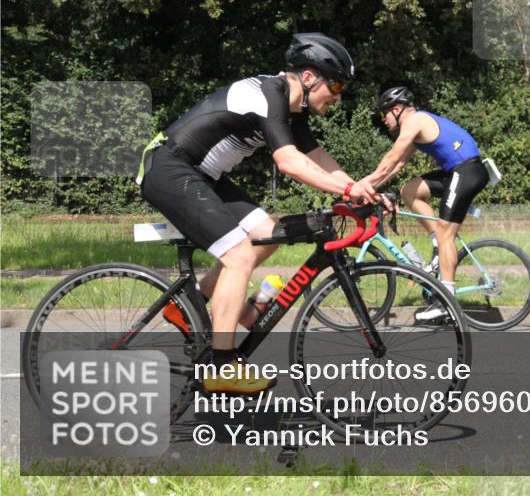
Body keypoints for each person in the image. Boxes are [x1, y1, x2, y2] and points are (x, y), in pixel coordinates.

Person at [137, 33, 379, 393]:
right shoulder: (272, 94)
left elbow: (314, 157)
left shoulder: (292, 108)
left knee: (268, 232)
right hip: (168, 168)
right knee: (239, 256)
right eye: (337, 84)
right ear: (310, 77)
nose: (338, 95)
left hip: (204, 175)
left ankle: (190, 307)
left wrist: (359, 188)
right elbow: (288, 161)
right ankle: (222, 367)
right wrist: (346, 189)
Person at [362, 87, 489, 320]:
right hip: (457, 172)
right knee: (409, 190)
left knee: (446, 234)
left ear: (397, 109)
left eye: (384, 115)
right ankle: (436, 247)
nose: (384, 121)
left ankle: (446, 302)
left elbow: (390, 157)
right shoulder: (415, 123)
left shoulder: (415, 120)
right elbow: (397, 165)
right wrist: (371, 186)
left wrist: (362, 183)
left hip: (467, 171)